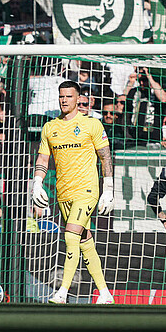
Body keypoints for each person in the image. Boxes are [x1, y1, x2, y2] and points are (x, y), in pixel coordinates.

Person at [30, 80, 115, 305]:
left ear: (78, 99)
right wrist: (37, 183)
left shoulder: (92, 124)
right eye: (61, 96)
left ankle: (62, 291)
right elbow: (43, 159)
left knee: (70, 236)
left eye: (69, 96)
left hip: (86, 190)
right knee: (84, 241)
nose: (64, 100)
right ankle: (105, 293)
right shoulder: (50, 127)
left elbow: (105, 156)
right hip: (63, 193)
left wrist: (108, 189)